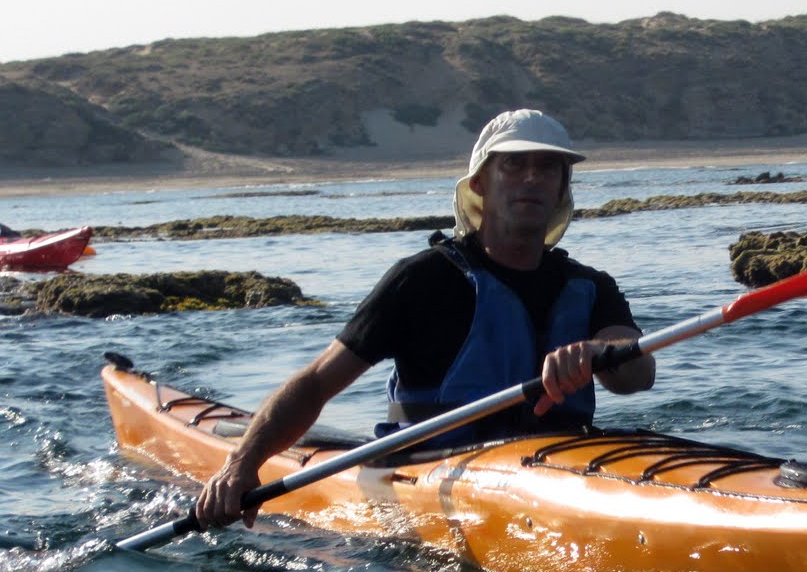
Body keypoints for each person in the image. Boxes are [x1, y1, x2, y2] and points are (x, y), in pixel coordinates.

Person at [195, 109, 655, 529]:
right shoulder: (420, 280)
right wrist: (242, 463)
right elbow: (318, 382)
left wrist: (599, 353)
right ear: (480, 184)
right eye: (513, 165)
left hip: (561, 468)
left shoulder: (592, 286)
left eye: (548, 167)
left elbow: (637, 373)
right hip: (433, 470)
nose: (531, 178)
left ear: (561, 188)